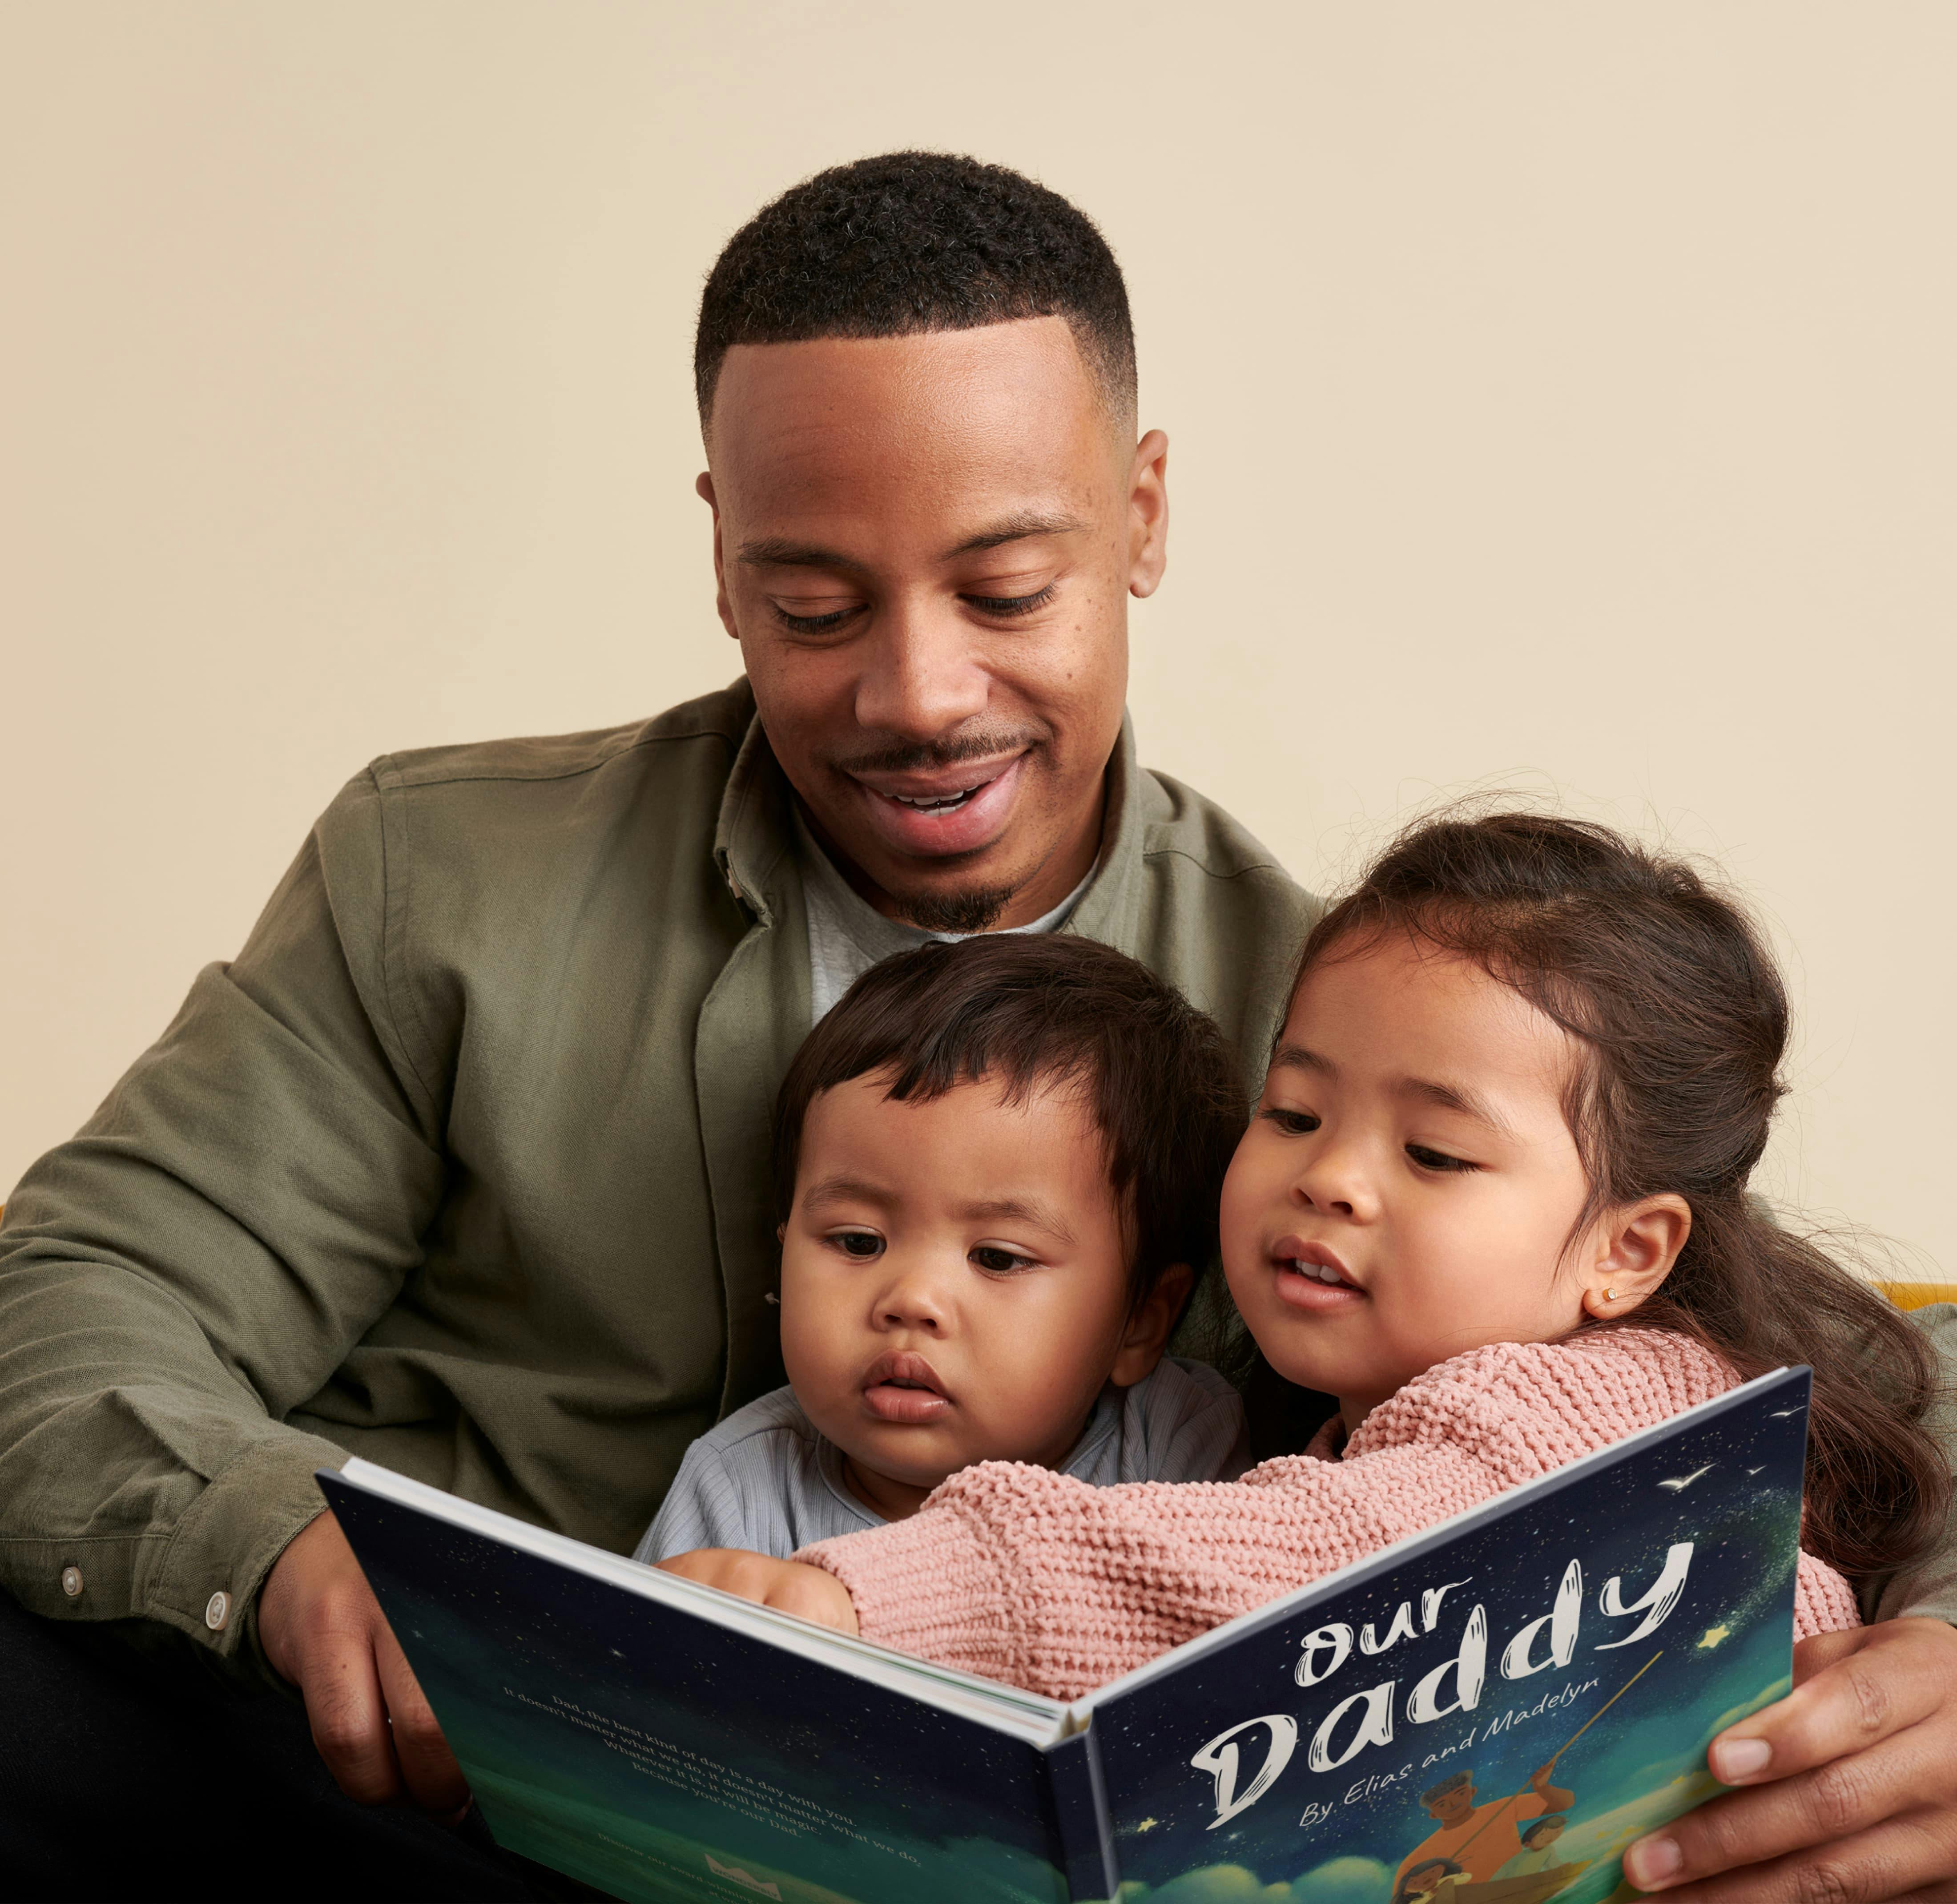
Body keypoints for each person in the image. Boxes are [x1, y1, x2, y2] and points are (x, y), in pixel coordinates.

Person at [0, 152, 1953, 1902]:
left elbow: (1802, 1372)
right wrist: (276, 1556)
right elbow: (74, 1296)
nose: (920, 694)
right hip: (428, 1794)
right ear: (716, 552)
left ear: (1142, 514)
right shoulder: (436, 874)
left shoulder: (1326, 1026)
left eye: (1007, 586)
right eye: (814, 599)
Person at [670, 812, 1957, 1900]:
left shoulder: (1596, 1405)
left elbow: (1317, 1569)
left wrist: (882, 1603)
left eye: (1436, 1154)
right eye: (1295, 1112)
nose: (1330, 1178)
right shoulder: (1330, 1416)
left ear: (1625, 1252)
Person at [636, 934, 1252, 1561]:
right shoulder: (738, 1489)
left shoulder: (1176, 1447)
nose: (911, 1300)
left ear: (1141, 1322)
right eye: (858, 1242)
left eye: (998, 1257)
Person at [1397, 1767, 1574, 1889]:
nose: (1453, 1804)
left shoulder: (1502, 1809)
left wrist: (1543, 1788)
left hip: (1521, 1889)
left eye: (1460, 1794)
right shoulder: (1418, 1857)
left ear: (1472, 1792)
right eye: (1442, 1804)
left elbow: (1566, 1803)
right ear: (1433, 1815)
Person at [1493, 1815, 1571, 1881]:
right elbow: (1504, 1870)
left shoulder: (1549, 1850)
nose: (1550, 1837)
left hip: (1530, 1882)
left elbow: (1553, 1863)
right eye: (1542, 1835)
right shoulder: (1522, 1855)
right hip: (1511, 1882)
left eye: (1557, 1833)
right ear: (1527, 1844)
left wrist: (1561, 1868)